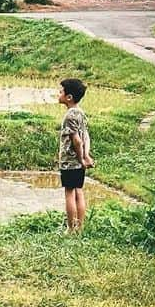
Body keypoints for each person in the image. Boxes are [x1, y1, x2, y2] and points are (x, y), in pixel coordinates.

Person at [57, 77, 93, 231]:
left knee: (69, 193)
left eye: (61, 91)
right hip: (79, 162)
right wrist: (86, 156)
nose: (58, 93)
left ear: (69, 97)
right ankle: (80, 227)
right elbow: (86, 137)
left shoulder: (69, 116)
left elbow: (77, 141)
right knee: (79, 191)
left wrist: (81, 158)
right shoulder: (81, 114)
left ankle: (71, 228)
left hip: (70, 162)